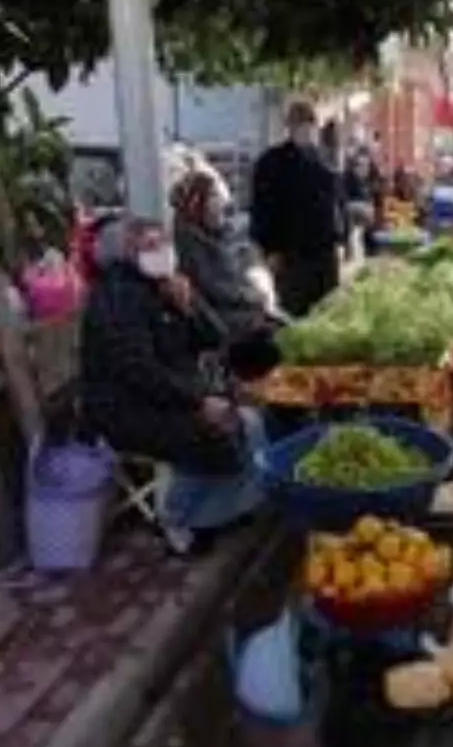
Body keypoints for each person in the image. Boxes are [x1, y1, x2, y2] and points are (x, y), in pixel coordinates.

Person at [79, 216, 265, 555]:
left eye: (163, 243)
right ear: (126, 253)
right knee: (215, 430)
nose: (161, 252)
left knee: (252, 423)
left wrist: (190, 304)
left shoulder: (162, 286)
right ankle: (174, 518)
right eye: (149, 246)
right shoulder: (116, 296)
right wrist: (198, 402)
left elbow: (216, 337)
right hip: (122, 406)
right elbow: (138, 370)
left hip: (168, 394)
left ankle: (217, 512)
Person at [250, 101, 343, 316]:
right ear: (289, 126)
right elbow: (262, 208)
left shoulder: (323, 159)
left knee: (327, 312)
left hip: (324, 253)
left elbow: (335, 202)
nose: (305, 129)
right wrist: (269, 249)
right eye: (299, 123)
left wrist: (340, 237)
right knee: (294, 312)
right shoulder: (271, 162)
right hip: (290, 253)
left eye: (309, 123)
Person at [170, 170, 270, 339]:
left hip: (237, 310)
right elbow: (216, 287)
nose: (221, 202)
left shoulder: (214, 234)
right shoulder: (190, 242)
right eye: (213, 195)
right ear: (197, 202)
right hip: (223, 322)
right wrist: (253, 296)